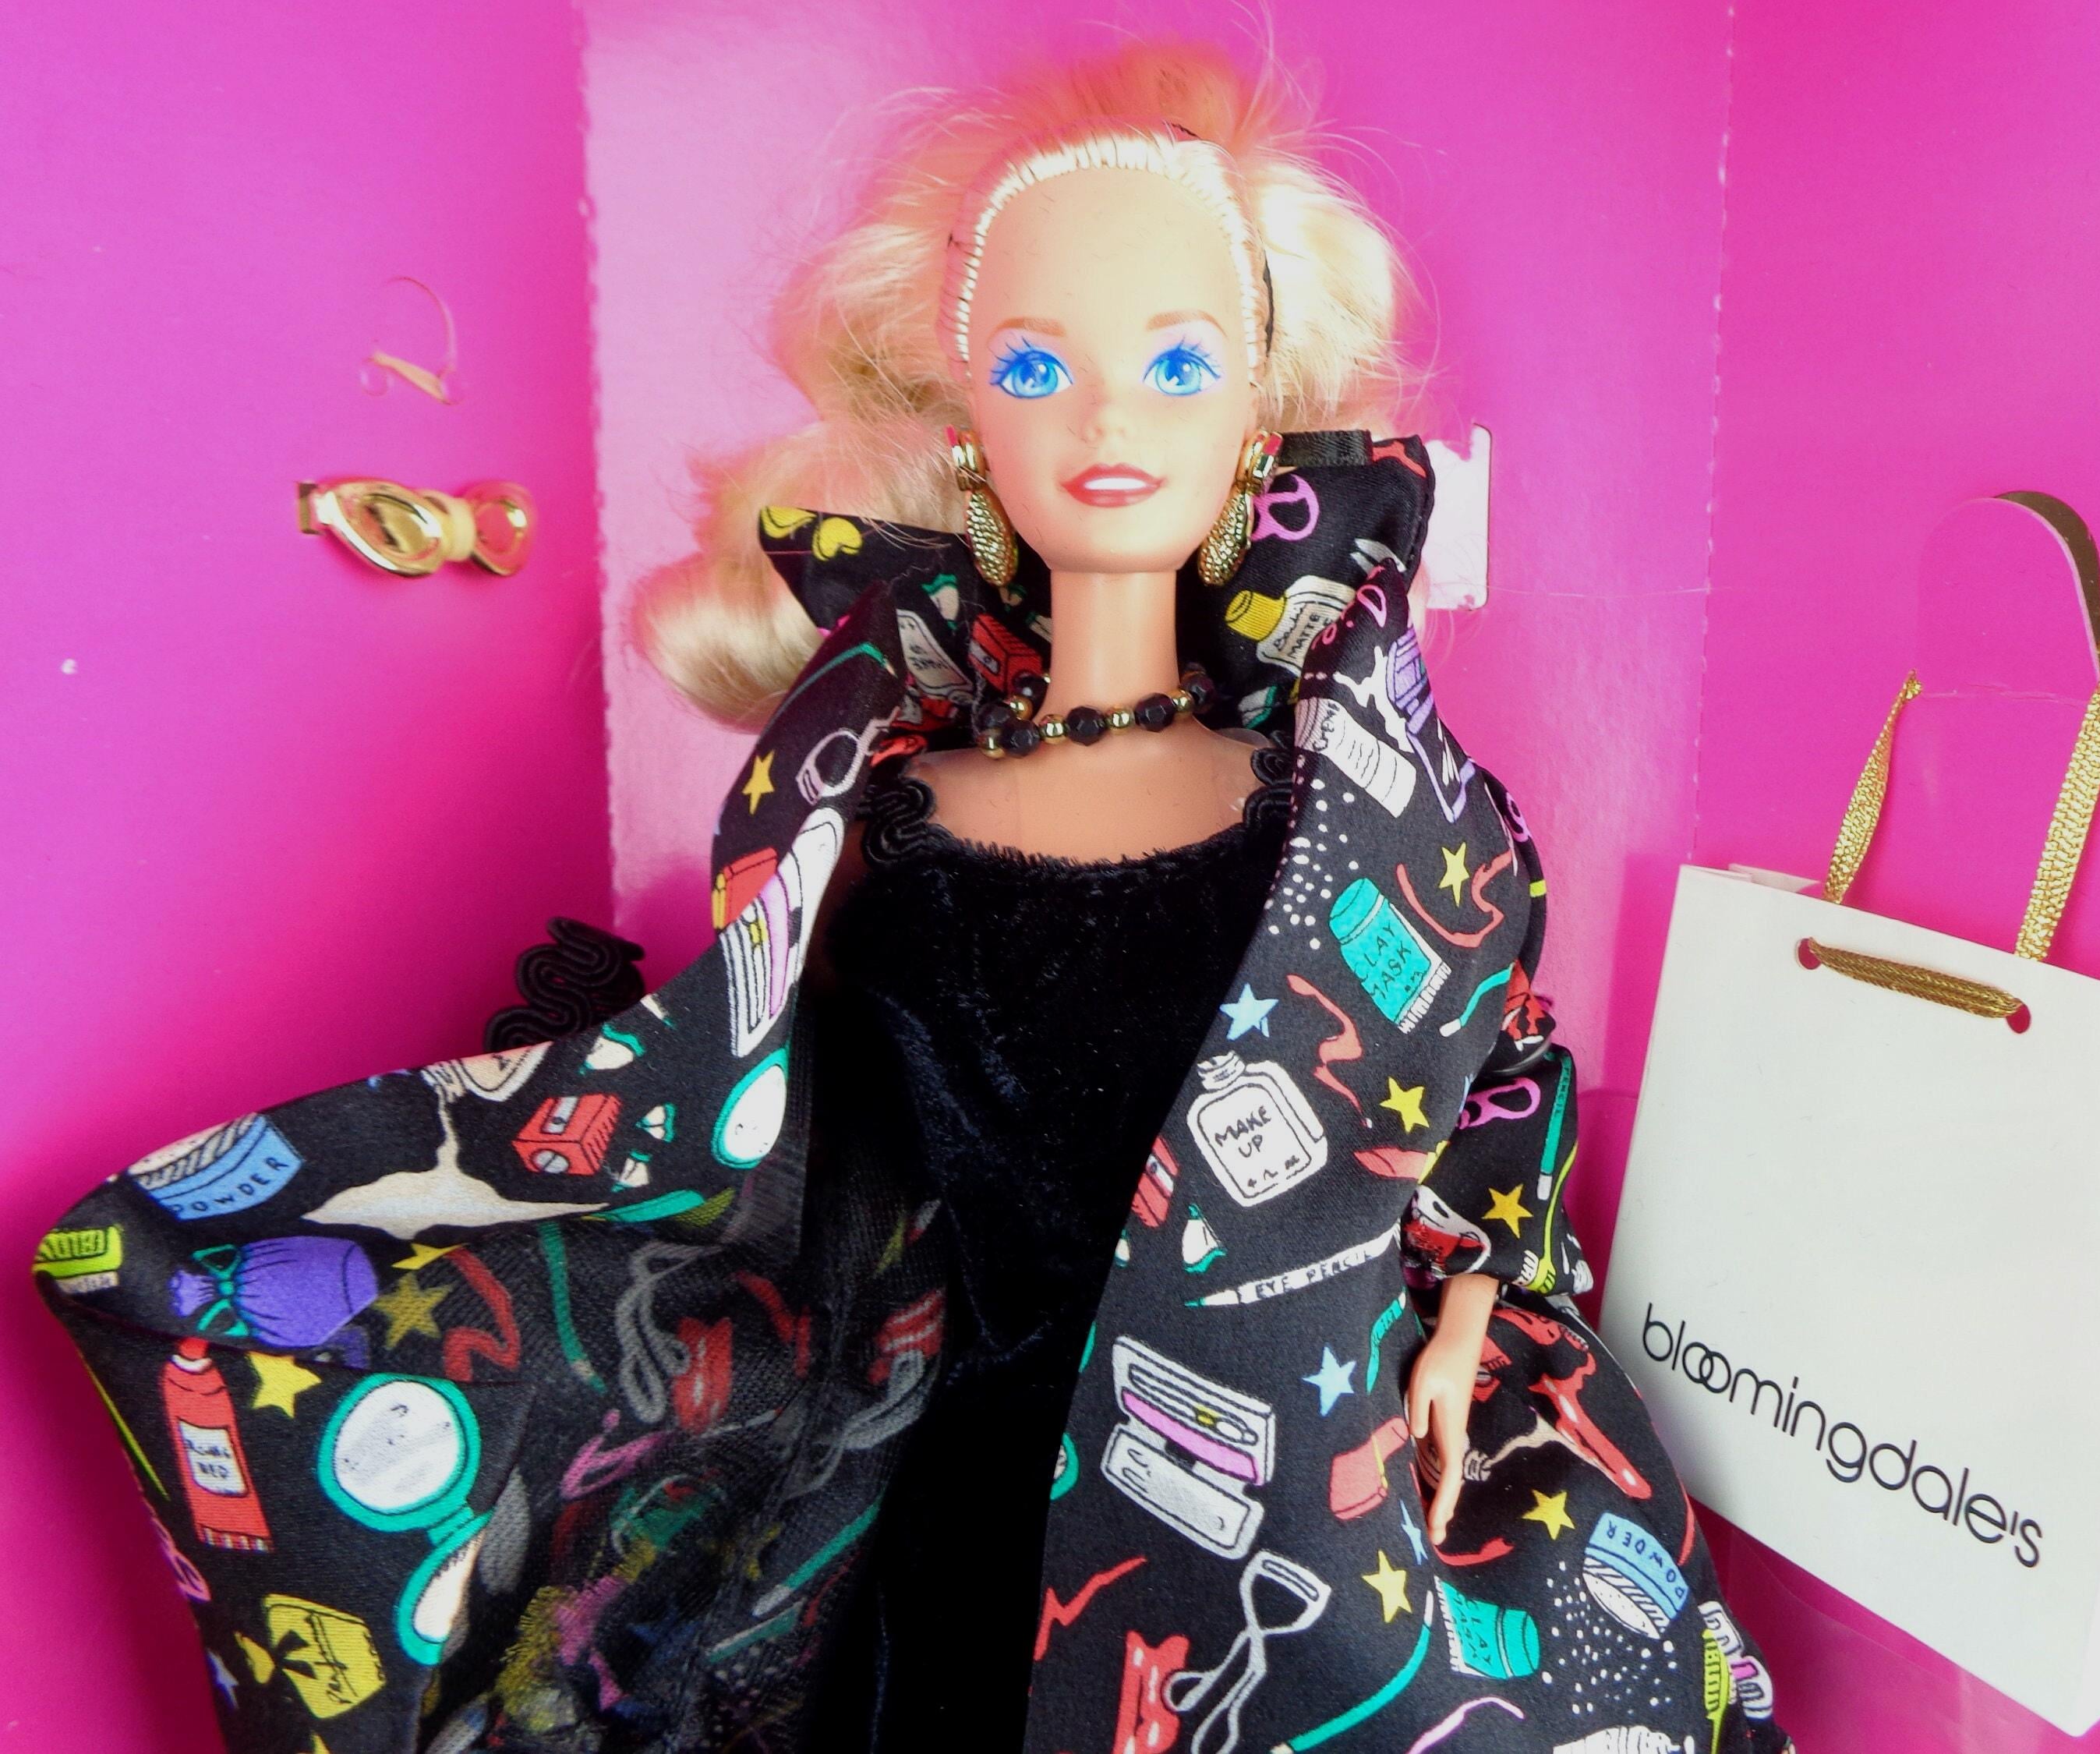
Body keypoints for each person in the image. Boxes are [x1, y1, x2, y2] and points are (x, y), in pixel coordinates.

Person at [35, 39, 1791, 1754]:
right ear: (964, 430)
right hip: (970, 1518)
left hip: (1293, 1501)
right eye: (1034, 367)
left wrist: (1472, 1299)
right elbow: (807, 1172)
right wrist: (612, 1105)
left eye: (1178, 361)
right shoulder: (880, 815)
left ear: (1259, 408)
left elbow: (1489, 1073)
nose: (1107, 417)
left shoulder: (1362, 812)